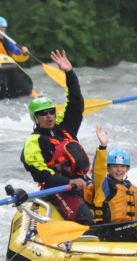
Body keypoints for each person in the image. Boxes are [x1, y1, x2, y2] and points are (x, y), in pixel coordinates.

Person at [20, 50, 92, 225]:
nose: (49, 116)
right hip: (59, 189)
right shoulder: (34, 142)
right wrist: (69, 181)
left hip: (82, 182)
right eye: (42, 114)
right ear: (35, 118)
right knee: (84, 216)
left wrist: (69, 73)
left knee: (108, 206)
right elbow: (41, 174)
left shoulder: (65, 127)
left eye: (51, 112)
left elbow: (76, 102)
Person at [83, 125, 137, 243]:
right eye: (115, 166)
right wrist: (103, 147)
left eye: (122, 166)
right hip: (109, 230)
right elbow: (98, 172)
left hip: (129, 228)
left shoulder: (132, 188)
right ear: (108, 169)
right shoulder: (103, 186)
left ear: (127, 169)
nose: (119, 170)